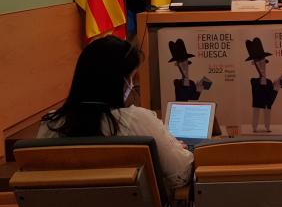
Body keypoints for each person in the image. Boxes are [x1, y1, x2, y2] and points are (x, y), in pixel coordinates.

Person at [38, 36, 193, 193]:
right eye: (132, 77)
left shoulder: (51, 124)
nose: (132, 84)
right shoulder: (137, 121)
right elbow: (181, 174)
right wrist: (173, 149)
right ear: (121, 81)